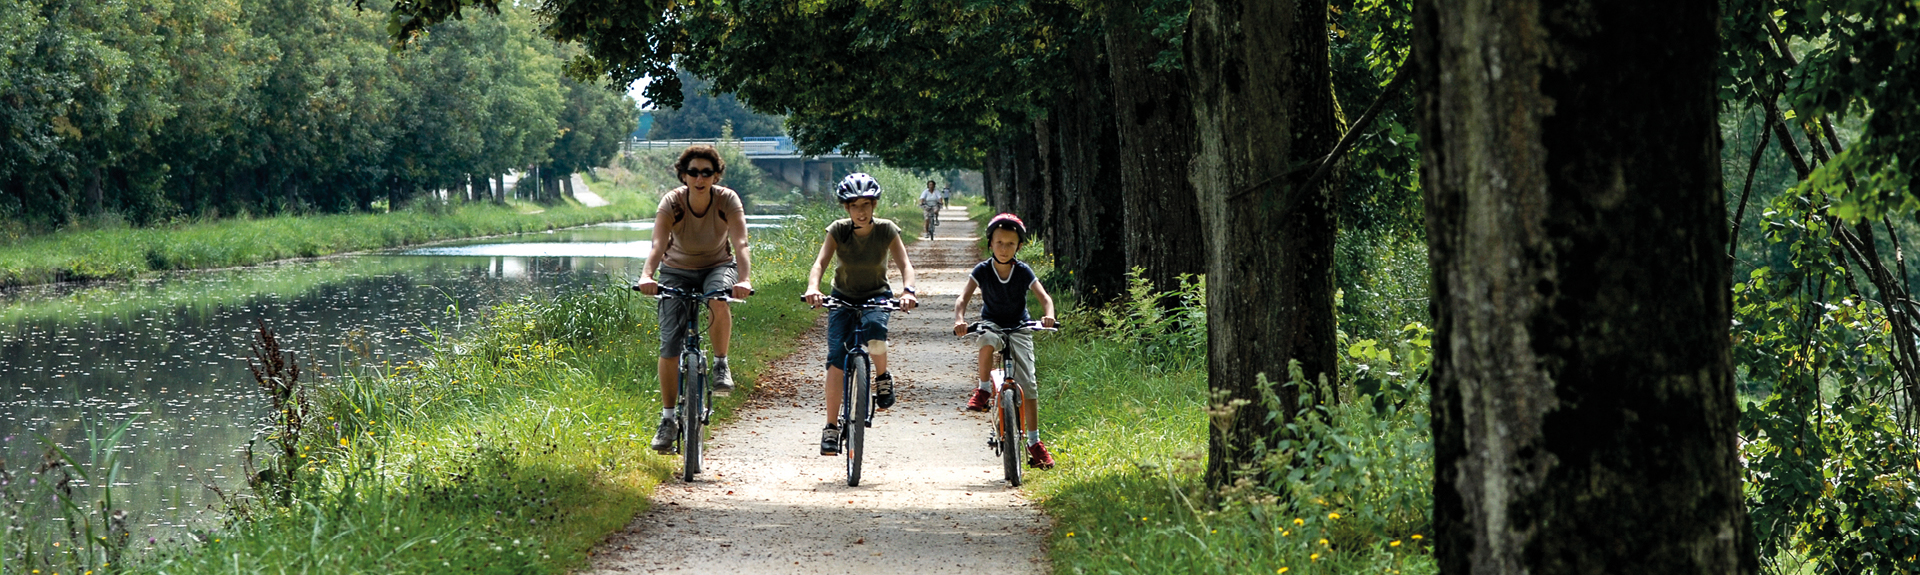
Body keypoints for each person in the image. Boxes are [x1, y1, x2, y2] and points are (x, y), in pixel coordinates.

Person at [634, 145, 754, 454]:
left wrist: (744, 279)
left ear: (716, 175)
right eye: (693, 172)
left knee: (717, 298)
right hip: (675, 270)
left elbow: (740, 242)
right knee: (669, 345)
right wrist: (648, 276)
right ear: (683, 175)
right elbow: (658, 244)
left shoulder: (726, 200)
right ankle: (668, 420)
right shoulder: (672, 202)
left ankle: (720, 364)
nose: (699, 178)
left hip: (717, 266)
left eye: (706, 172)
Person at [804, 173, 920, 455]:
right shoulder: (838, 230)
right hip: (842, 296)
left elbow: (906, 265)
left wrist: (908, 291)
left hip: (877, 294)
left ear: (874, 205)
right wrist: (813, 287)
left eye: (866, 204)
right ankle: (831, 427)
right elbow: (820, 263)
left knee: (875, 332)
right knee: (835, 360)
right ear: (846, 208)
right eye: (855, 205)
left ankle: (881, 378)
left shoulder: (886, 229)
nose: (861, 211)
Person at [952, 213, 1058, 469]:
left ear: (1019, 247)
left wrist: (1049, 316)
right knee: (986, 337)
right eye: (999, 242)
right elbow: (962, 299)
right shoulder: (982, 270)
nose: (1003, 248)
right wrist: (959, 319)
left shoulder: (1022, 271)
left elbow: (1044, 298)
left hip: (1020, 327)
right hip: (993, 323)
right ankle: (984, 388)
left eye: (1010, 244)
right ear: (990, 243)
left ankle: (1034, 442)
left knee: (1029, 385)